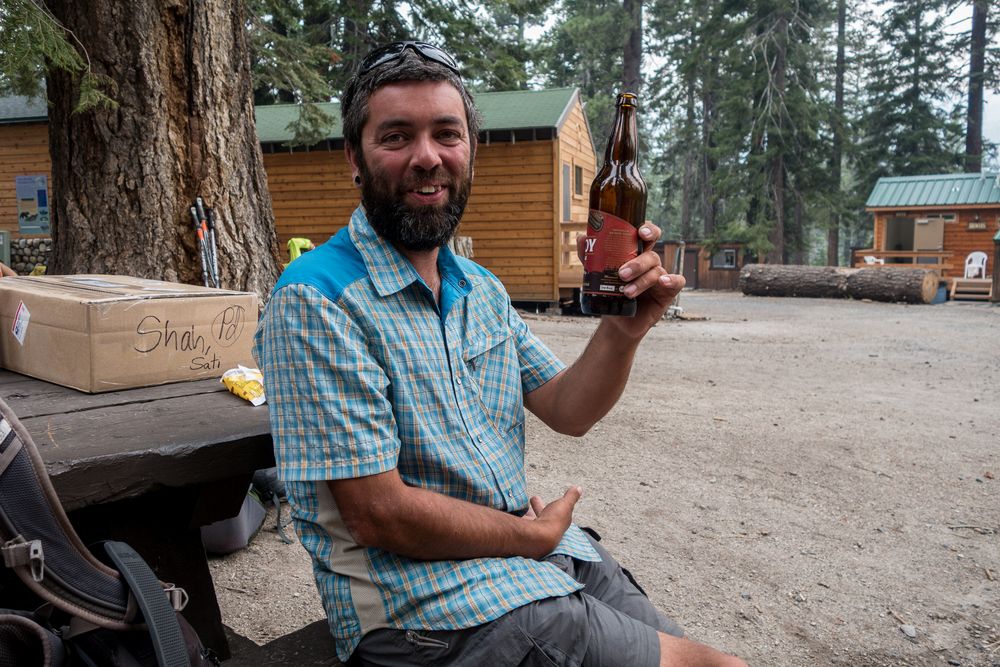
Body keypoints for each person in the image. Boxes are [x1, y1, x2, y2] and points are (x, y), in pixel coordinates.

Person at [254, 41, 746, 667]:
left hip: (521, 558)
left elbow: (569, 410)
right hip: (423, 609)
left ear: (470, 151)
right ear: (355, 157)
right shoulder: (316, 299)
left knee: (699, 652)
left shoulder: (478, 287)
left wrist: (623, 332)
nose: (427, 157)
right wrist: (531, 534)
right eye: (396, 137)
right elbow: (381, 516)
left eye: (446, 134)